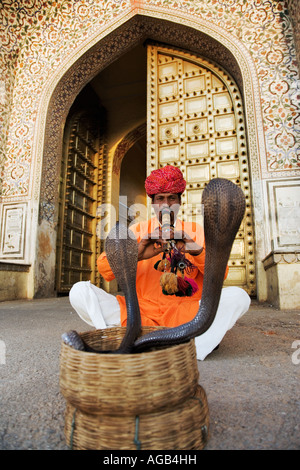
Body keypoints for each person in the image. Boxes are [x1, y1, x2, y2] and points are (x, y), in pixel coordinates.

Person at [69, 165, 250, 360]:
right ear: (153, 203)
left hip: (186, 313)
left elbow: (220, 275)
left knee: (239, 297)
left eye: (172, 198)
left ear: (180, 202)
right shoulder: (137, 231)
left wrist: (194, 249)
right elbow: (105, 270)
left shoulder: (195, 231)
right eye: (160, 198)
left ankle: (147, 344)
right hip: (140, 313)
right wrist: (138, 253)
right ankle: (181, 342)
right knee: (80, 292)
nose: (166, 205)